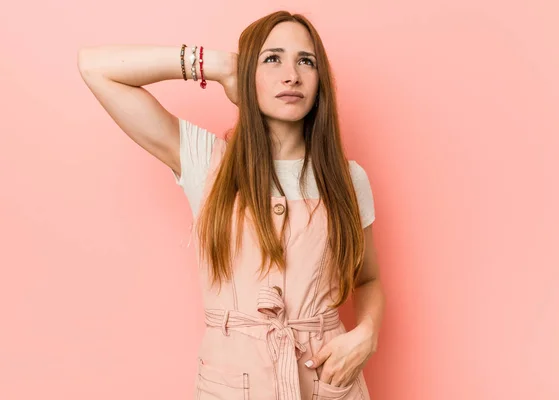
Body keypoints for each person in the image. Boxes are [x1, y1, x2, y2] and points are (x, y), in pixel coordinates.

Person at [78, 10, 385, 400]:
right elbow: (95, 67)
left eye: (305, 61)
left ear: (320, 79)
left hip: (327, 381)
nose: (291, 75)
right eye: (271, 59)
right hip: (231, 384)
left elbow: (368, 279)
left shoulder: (347, 178)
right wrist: (220, 66)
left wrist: (367, 335)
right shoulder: (207, 162)